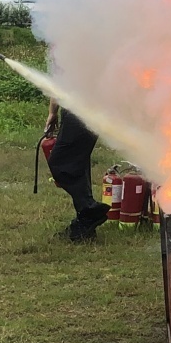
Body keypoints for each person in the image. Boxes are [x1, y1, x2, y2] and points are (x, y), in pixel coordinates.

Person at [44, 99, 110, 243]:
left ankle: (90, 210)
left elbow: (58, 79)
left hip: (79, 110)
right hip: (90, 109)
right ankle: (85, 225)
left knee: (60, 163)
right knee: (78, 162)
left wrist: (52, 112)